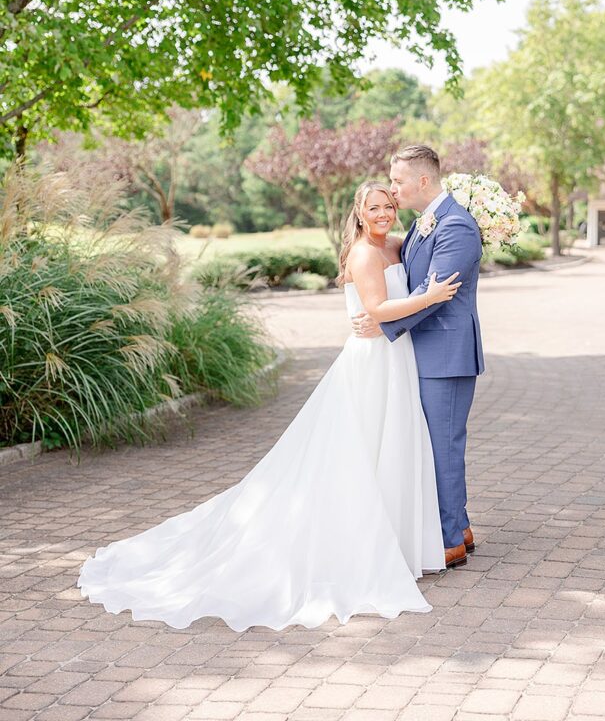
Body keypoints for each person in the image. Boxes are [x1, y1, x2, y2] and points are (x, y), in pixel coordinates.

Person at [77, 182, 460, 631]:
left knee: (389, 446)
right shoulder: (363, 253)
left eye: (389, 206)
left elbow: (420, 252)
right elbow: (376, 308)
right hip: (372, 363)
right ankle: (358, 547)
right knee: (360, 450)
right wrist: (430, 298)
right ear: (358, 213)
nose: (383, 213)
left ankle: (397, 542)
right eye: (373, 207)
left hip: (395, 358)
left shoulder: (396, 243)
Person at [352, 145, 485, 569]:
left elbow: (435, 297)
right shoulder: (423, 224)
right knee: (436, 445)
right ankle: (459, 525)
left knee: (443, 447)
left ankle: (449, 540)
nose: (393, 189)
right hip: (422, 351)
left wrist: (383, 323)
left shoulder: (456, 227)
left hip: (445, 353)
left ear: (422, 181)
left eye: (397, 181)